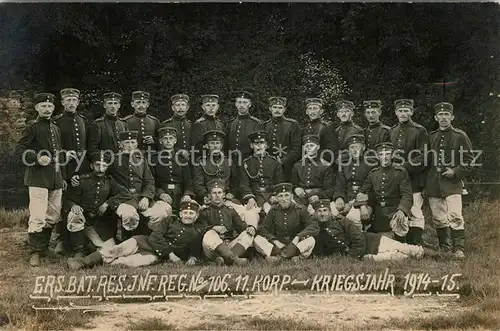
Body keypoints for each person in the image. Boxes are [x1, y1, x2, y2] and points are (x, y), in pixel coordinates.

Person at [66, 199, 204, 270]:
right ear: (180, 214)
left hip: (156, 255)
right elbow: (156, 236)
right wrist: (170, 254)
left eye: (191, 213)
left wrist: (192, 258)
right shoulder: (170, 220)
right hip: (144, 241)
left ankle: (102, 264)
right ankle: (81, 263)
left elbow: (194, 249)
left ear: (196, 216)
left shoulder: (196, 232)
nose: (187, 216)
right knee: (116, 250)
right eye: (185, 213)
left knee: (128, 263)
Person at [15, 93, 66, 266]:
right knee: (37, 215)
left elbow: (58, 155)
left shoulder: (56, 128)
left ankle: (44, 248)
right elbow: (20, 149)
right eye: (43, 106)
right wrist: (36, 157)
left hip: (55, 178)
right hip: (38, 177)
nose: (47, 109)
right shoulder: (32, 127)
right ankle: (35, 252)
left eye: (50, 106)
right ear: (37, 108)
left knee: (53, 215)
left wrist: (62, 177)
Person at [426, 102, 473, 258]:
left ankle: (459, 248)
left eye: (446, 115)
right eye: (440, 115)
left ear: (452, 117)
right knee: (439, 218)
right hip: (434, 183)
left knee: (455, 215)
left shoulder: (460, 136)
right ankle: (445, 248)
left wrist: (455, 171)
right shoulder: (431, 137)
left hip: (452, 184)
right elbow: (425, 161)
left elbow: (469, 160)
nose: (443, 118)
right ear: (435, 117)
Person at [62, 152, 133, 258]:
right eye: (97, 165)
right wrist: (73, 205)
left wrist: (107, 203)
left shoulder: (109, 181)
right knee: (75, 214)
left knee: (110, 250)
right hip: (83, 220)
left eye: (104, 166)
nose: (100, 169)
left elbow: (125, 193)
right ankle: (79, 251)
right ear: (91, 166)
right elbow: (67, 198)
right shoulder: (82, 180)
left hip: (98, 224)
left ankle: (89, 246)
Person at [312, 199, 424, 261]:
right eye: (319, 211)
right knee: (398, 257)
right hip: (365, 257)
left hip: (371, 241)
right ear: (315, 214)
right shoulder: (316, 231)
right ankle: (421, 256)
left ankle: (433, 255)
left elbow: (358, 237)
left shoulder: (342, 221)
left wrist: (353, 256)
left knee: (407, 248)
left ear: (330, 212)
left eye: (325, 210)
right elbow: (321, 253)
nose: (322, 214)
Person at [52, 87, 89, 254]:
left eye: (74, 100)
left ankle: (81, 238)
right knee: (63, 202)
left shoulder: (83, 121)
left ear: (78, 102)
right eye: (68, 100)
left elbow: (86, 147)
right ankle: (61, 239)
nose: (71, 103)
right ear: (63, 102)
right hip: (63, 166)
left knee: (80, 200)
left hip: (81, 167)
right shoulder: (57, 121)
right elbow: (53, 147)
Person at [354, 142, 413, 240]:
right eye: (381, 154)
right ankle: (359, 241)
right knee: (354, 216)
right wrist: (363, 205)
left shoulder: (400, 172)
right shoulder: (374, 173)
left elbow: (407, 195)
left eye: (387, 154)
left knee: (400, 221)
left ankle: (401, 244)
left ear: (392, 155)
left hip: (394, 210)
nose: (384, 157)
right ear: (377, 156)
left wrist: (402, 210)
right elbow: (363, 191)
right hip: (378, 212)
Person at [389, 99, 428, 245]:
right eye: (400, 111)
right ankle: (402, 241)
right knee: (400, 208)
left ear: (412, 112)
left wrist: (404, 166)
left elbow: (424, 157)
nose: (403, 114)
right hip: (396, 178)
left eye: (406, 111)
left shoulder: (419, 130)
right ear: (396, 113)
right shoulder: (392, 131)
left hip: (413, 178)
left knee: (415, 210)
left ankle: (416, 241)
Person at [253, 183, 319, 262]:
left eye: (286, 195)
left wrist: (298, 237)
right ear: (277, 198)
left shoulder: (300, 209)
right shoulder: (273, 210)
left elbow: (314, 226)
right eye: (280, 196)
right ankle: (292, 257)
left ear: (291, 196)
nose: (284, 199)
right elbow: (263, 229)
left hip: (295, 244)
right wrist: (275, 241)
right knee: (257, 239)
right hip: (279, 245)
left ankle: (280, 258)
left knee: (311, 240)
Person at [199, 179, 255, 266]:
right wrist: (213, 227)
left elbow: (241, 227)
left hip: (229, 245)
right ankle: (234, 259)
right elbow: (200, 230)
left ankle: (226, 260)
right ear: (209, 196)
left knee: (248, 234)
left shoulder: (230, 210)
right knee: (210, 233)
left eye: (219, 192)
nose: (217, 196)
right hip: (212, 249)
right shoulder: (204, 212)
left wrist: (250, 227)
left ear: (224, 195)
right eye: (214, 193)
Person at [331, 134, 374, 229]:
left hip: (364, 202)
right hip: (346, 198)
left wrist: (361, 204)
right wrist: (339, 198)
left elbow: (372, 188)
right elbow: (339, 184)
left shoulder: (371, 164)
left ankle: (358, 241)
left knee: (352, 218)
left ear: (363, 147)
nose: (354, 150)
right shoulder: (344, 164)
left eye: (357, 147)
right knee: (330, 213)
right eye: (352, 147)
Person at [151, 126, 194, 213]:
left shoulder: (181, 157)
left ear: (175, 141)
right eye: (165, 138)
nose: (168, 141)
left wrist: (187, 194)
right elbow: (151, 181)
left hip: (180, 193)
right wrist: (160, 193)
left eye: (171, 138)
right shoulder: (153, 159)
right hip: (162, 194)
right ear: (160, 141)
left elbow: (188, 180)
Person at [240, 130, 285, 214]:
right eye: (256, 144)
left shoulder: (274, 162)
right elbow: (244, 184)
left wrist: (276, 195)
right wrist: (250, 197)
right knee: (249, 213)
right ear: (251, 145)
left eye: (262, 143)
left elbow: (280, 182)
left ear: (266, 145)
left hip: (271, 195)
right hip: (255, 196)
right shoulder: (246, 163)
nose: (259, 146)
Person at [290, 135, 334, 213]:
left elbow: (330, 189)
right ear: (304, 148)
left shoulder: (325, 166)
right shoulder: (298, 165)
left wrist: (319, 196)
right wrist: (295, 189)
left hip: (319, 199)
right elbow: (293, 184)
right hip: (301, 199)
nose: (309, 148)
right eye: (307, 146)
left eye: (312, 145)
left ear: (318, 147)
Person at [192, 130, 237, 205]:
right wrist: (206, 196)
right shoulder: (201, 162)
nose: (215, 146)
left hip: (227, 198)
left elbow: (235, 182)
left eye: (217, 143)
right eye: (212, 143)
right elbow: (198, 185)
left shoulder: (228, 161)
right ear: (207, 145)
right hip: (208, 198)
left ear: (221, 145)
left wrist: (232, 193)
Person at [263, 96, 301, 180]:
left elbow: (297, 148)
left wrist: (283, 161)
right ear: (270, 108)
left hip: (287, 167)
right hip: (269, 166)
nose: (277, 110)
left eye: (280, 107)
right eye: (274, 107)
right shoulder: (265, 125)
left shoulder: (292, 125)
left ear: (284, 109)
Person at [87, 92, 128, 157]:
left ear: (119, 105)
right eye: (110, 103)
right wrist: (110, 156)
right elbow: (92, 149)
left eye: (115, 103)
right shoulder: (98, 124)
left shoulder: (123, 123)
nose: (113, 106)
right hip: (106, 163)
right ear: (104, 105)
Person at [226, 91, 263, 160]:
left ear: (250, 104)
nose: (242, 105)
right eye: (239, 102)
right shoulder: (231, 123)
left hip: (249, 161)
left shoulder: (256, 123)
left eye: (245, 102)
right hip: (232, 162)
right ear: (236, 104)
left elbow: (259, 146)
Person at [301, 98, 338, 164]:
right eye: (310, 108)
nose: (312, 112)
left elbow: (332, 150)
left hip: (321, 164)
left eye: (315, 108)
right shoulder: (305, 129)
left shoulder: (326, 127)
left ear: (321, 111)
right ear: (307, 112)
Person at [191, 94, 225, 160]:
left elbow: (223, 144)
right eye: (208, 105)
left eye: (213, 105)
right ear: (203, 107)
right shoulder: (199, 124)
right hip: (205, 160)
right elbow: (196, 147)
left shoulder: (221, 124)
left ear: (217, 107)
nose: (211, 108)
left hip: (219, 160)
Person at [161, 93, 192, 158]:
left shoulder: (191, 125)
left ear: (187, 107)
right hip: (172, 159)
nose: (180, 108)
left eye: (183, 105)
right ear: (173, 108)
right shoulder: (166, 124)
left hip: (189, 160)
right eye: (177, 105)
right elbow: (162, 146)